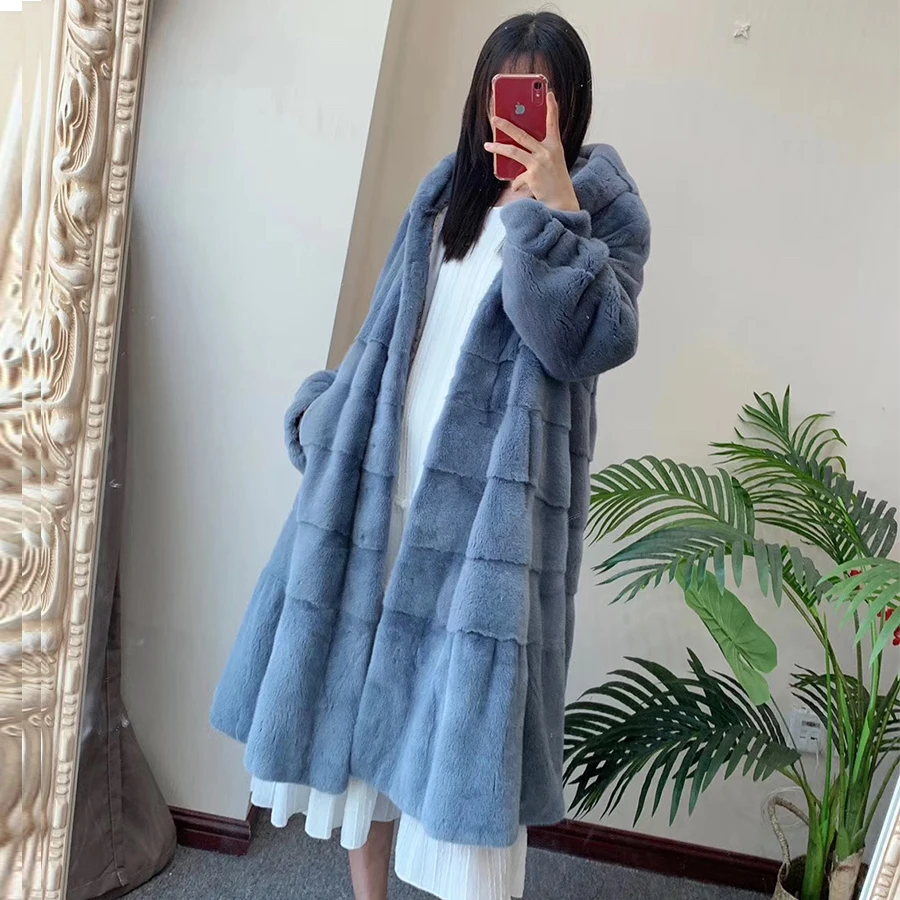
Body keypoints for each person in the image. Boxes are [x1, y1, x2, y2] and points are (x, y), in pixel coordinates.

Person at [211, 10, 650, 900]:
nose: (522, 109)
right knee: (362, 727)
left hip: (489, 526)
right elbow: (388, 333)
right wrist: (329, 415)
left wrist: (553, 213)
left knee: (459, 750)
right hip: (390, 489)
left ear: (570, 103)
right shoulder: (444, 197)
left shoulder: (603, 213)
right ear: (482, 95)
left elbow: (583, 342)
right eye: (508, 88)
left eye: (543, 92)